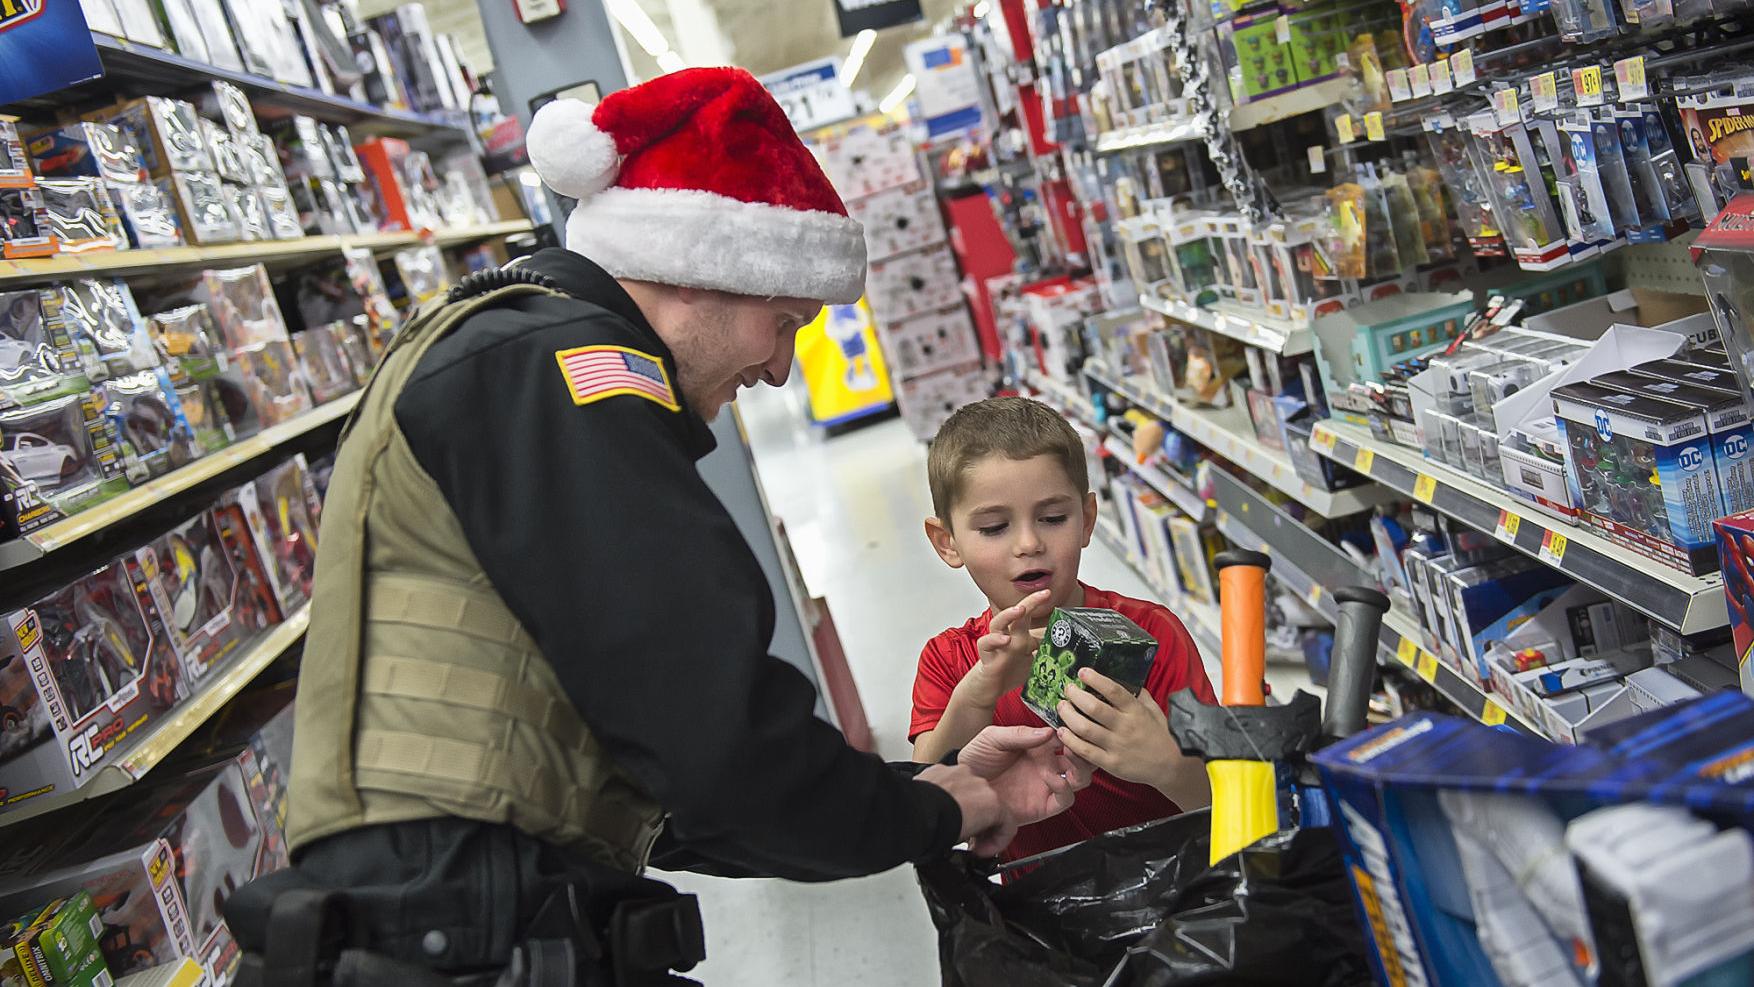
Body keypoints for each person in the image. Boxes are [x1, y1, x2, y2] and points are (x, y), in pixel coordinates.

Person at [233, 69, 1089, 986]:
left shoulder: (514, 356)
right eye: (782, 320)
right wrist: (930, 813)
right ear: (701, 267)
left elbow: (653, 771)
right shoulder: (559, 369)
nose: (779, 370)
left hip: (451, 920)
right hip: (454, 931)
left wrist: (924, 791)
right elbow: (712, 729)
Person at [910, 397, 1216, 864]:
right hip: (1038, 914)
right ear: (947, 542)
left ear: (1087, 520)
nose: (1030, 544)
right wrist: (977, 694)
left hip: (1178, 890)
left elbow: (1225, 803)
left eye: (1053, 519)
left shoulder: (1152, 633)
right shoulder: (948, 661)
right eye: (994, 527)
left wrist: (1167, 767)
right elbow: (923, 801)